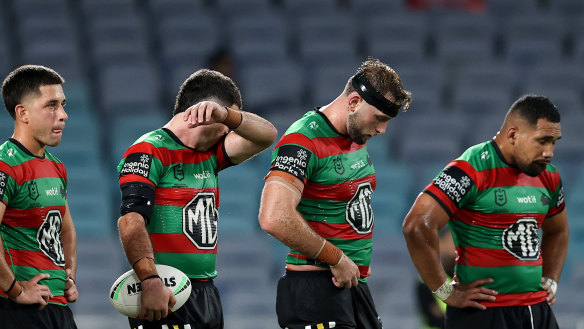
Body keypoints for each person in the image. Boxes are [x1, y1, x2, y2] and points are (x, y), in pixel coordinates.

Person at [116, 68, 277, 329]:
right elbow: (131, 222)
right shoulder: (148, 150)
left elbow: (267, 135)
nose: (229, 132)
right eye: (226, 123)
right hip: (165, 291)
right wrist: (150, 281)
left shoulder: (209, 154)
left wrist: (228, 116)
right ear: (204, 114)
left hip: (206, 292)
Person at [258, 58, 412, 329]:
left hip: (350, 286)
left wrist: (356, 257)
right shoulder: (302, 140)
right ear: (354, 103)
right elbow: (274, 217)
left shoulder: (354, 135)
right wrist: (337, 258)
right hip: (316, 291)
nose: (382, 130)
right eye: (379, 119)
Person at [402, 95, 569, 329]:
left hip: (537, 311)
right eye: (542, 141)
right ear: (512, 135)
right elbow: (416, 225)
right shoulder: (471, 169)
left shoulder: (549, 175)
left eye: (554, 142)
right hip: (483, 314)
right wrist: (445, 291)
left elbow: (558, 231)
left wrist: (550, 280)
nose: (549, 151)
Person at [0, 65, 79, 329]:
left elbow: (66, 229)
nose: (64, 115)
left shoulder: (56, 166)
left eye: (63, 104)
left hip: (57, 309)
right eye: (52, 106)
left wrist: (69, 276)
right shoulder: (5, 165)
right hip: (17, 311)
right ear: (22, 113)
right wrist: (16, 290)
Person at [415, 228, 455, 329]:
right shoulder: (428, 279)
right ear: (440, 244)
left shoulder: (472, 277)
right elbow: (434, 318)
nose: (456, 245)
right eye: (451, 240)